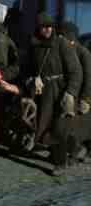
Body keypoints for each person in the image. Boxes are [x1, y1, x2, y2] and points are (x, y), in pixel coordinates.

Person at [23, 13, 82, 176]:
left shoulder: (61, 44)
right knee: (47, 127)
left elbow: (76, 71)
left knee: (58, 127)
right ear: (38, 28)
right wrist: (31, 80)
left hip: (61, 91)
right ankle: (75, 150)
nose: (47, 29)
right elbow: (26, 70)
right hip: (43, 93)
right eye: (43, 26)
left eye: (49, 26)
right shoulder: (34, 46)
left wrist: (70, 92)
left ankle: (60, 163)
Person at [57, 21, 91, 163]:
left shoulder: (83, 53)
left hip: (80, 95)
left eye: (62, 34)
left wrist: (86, 98)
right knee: (67, 125)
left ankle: (80, 151)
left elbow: (89, 76)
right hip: (69, 93)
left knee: (79, 127)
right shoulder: (63, 49)